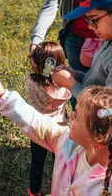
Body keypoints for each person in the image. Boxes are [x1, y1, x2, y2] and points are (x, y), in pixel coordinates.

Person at [0, 78, 112, 196]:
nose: (71, 115)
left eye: (77, 116)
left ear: (98, 140)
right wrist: (3, 95)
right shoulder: (67, 142)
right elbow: (37, 123)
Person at [25, 41, 71, 196]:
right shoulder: (62, 85)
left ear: (36, 63)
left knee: (37, 163)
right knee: (60, 163)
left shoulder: (31, 80)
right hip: (59, 131)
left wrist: (36, 68)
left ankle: (34, 191)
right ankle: (63, 189)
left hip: (38, 129)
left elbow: (29, 96)